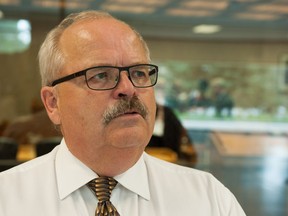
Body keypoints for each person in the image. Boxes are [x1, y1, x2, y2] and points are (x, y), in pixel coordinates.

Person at [0, 10, 246, 215]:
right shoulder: (8, 199)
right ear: (53, 103)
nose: (128, 89)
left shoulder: (210, 201)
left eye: (139, 73)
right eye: (100, 75)